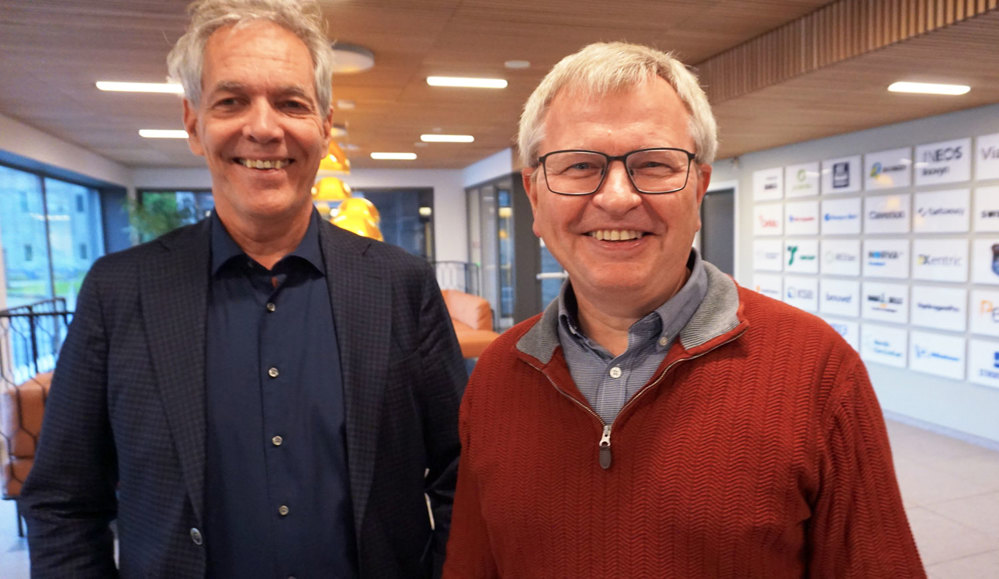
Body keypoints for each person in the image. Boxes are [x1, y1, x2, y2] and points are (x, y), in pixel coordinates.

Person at [443, 42, 925, 577]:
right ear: (535, 197)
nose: (618, 197)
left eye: (653, 164)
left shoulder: (818, 370)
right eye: (580, 165)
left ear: (699, 186)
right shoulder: (496, 376)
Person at [20, 0, 465, 577]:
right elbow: (63, 501)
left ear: (323, 126)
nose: (263, 127)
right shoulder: (119, 290)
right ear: (193, 124)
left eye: (290, 102)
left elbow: (464, 473)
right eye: (231, 101)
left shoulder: (401, 285)